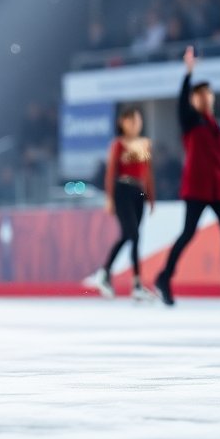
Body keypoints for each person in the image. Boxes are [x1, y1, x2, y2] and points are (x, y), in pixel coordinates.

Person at [154, 47, 220, 307]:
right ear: (194, 99)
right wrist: (188, 74)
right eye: (198, 95)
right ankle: (164, 278)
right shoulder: (191, 122)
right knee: (188, 233)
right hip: (197, 187)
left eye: (207, 94)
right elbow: (181, 104)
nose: (204, 98)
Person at [85, 106, 157, 302]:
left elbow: (147, 172)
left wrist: (151, 196)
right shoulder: (118, 144)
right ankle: (136, 284)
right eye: (131, 120)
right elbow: (111, 171)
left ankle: (106, 272)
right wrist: (109, 198)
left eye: (137, 120)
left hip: (138, 191)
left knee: (129, 236)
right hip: (122, 190)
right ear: (122, 123)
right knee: (133, 235)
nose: (135, 124)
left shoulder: (143, 144)